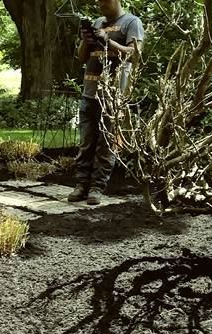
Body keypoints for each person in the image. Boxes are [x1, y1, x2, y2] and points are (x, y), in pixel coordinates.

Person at [68, 0, 144, 204]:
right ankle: (81, 185)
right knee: (86, 144)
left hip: (112, 96)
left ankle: (97, 188)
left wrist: (108, 40)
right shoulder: (97, 22)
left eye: (104, 0)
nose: (100, 3)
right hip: (89, 93)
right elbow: (81, 57)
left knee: (106, 145)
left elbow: (135, 55)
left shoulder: (131, 22)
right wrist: (86, 39)